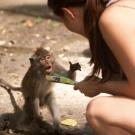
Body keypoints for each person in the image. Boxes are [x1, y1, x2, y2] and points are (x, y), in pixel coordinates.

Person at [47, 0, 135, 134]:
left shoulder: (112, 19)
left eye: (62, 19)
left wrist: (100, 86)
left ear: (68, 13)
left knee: (100, 112)